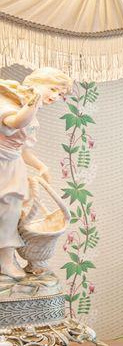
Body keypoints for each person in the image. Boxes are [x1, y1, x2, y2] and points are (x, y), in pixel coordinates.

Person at [0, 69, 72, 279]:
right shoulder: (8, 102)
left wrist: (42, 167)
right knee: (7, 213)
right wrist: (34, 102)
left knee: (13, 215)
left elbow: (23, 149)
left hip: (14, 166)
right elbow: (13, 124)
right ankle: (5, 261)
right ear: (37, 82)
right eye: (53, 89)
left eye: (59, 94)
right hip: (2, 166)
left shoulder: (29, 109)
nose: (55, 97)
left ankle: (6, 258)